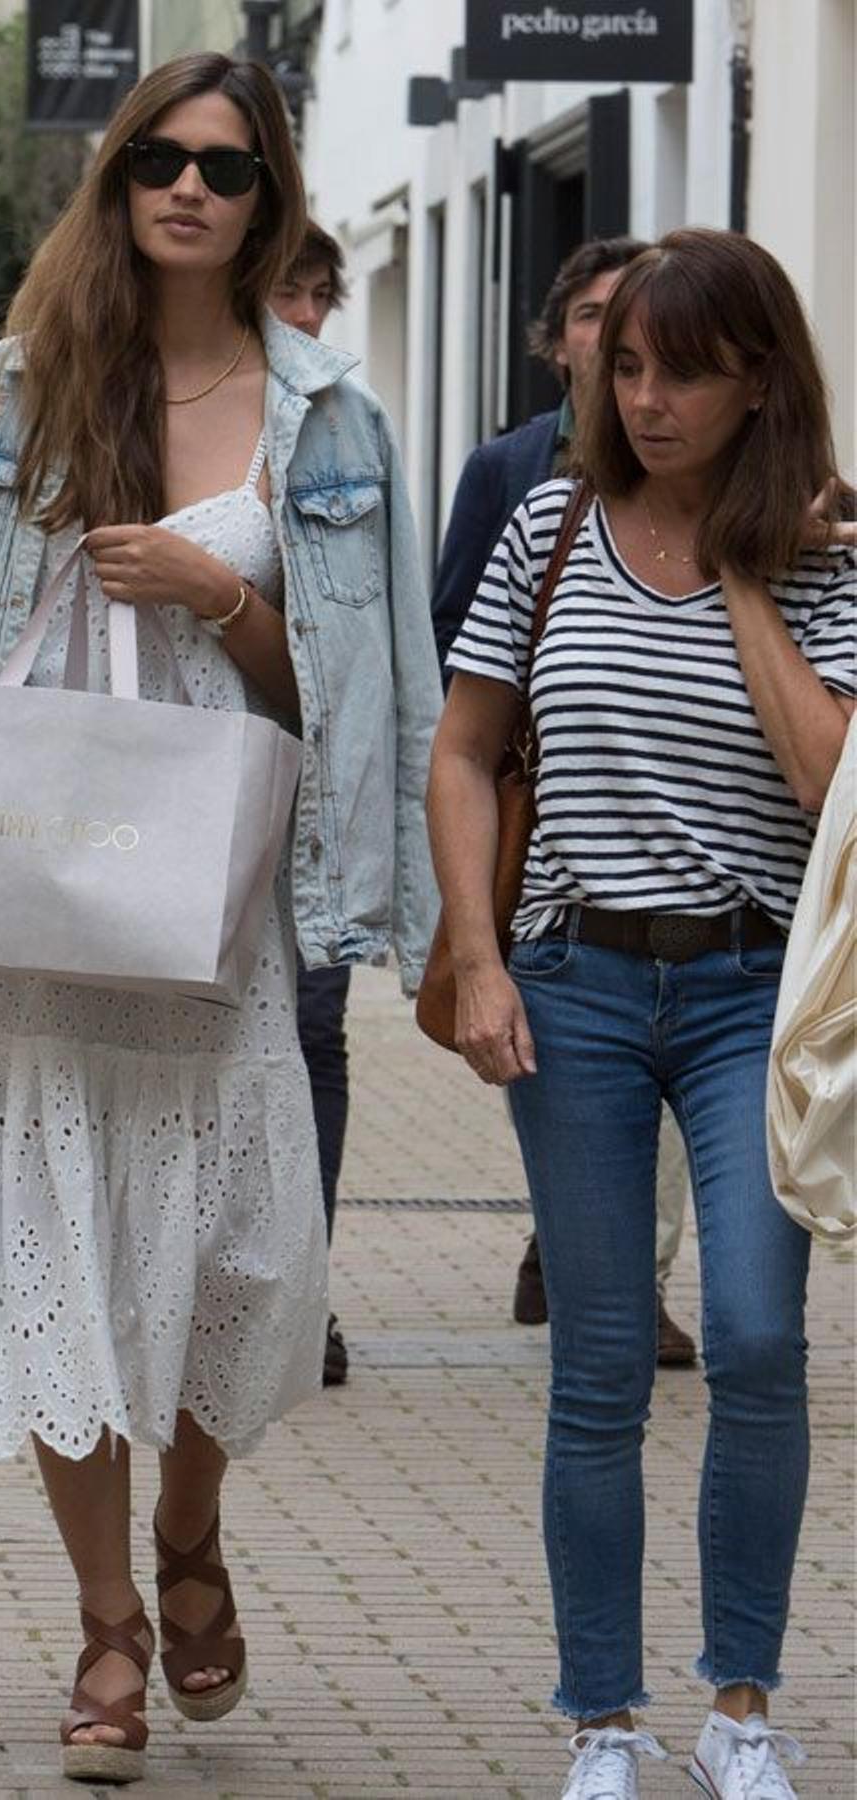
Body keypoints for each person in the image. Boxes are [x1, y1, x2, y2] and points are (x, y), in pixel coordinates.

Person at [0, 52, 440, 1787]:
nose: (187, 189)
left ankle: (191, 1525)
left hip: (215, 911)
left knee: (233, 1273)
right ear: (117, 175)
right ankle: (107, 1630)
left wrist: (225, 594)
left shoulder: (332, 420)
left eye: (225, 170)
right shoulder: (9, 391)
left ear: (269, 201)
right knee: (59, 1274)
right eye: (156, 156)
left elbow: (366, 697)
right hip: (26, 895)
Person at [428, 227, 854, 1798]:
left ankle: (742, 1707)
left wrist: (745, 563)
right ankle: (602, 1722)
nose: (650, 396)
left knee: (754, 1336)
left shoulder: (825, 560)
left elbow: (829, 781)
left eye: (685, 368)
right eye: (628, 366)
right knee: (601, 1363)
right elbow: (466, 752)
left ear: (761, 379)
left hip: (758, 990)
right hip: (577, 985)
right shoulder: (550, 525)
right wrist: (477, 953)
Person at [432, 235, 696, 1368]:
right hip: (553, 853)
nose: (626, 367)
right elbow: (459, 655)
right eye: (596, 323)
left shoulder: (793, 527)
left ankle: (635, 1269)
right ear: (559, 345)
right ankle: (584, 1242)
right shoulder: (515, 480)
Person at [269, 218, 354, 1386]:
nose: (304, 315)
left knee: (316, 1039)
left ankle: (306, 1290)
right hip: (176, 803)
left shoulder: (344, 434)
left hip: (310, 807)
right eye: (290, 290)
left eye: (320, 297)